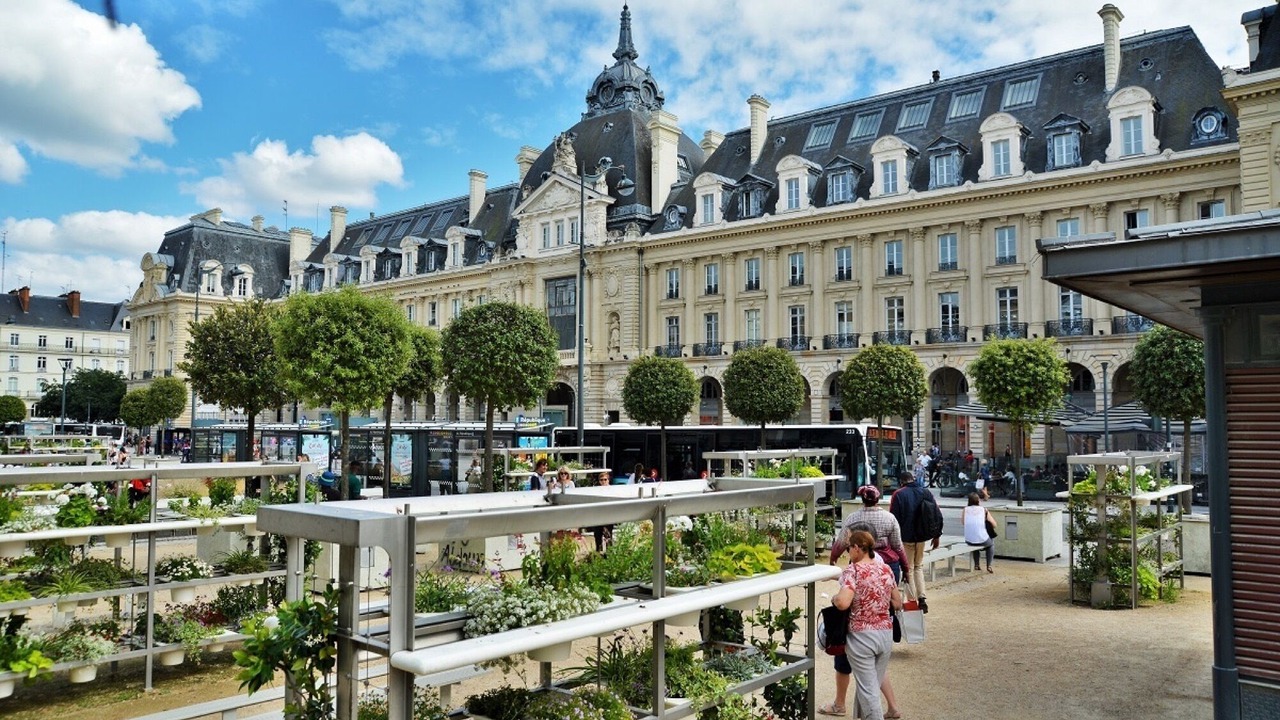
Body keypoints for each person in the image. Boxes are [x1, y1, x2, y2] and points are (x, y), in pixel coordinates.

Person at [823, 529, 903, 720]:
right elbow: (897, 602)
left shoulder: (854, 570)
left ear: (857, 548)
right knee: (870, 685)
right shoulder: (885, 569)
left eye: (849, 548)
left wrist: (835, 598)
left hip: (861, 636)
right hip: (885, 633)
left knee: (869, 691)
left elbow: (843, 602)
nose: (848, 552)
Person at [889, 470, 943, 613]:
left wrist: (892, 541)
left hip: (906, 538)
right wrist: (937, 535)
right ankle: (922, 598)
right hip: (922, 536)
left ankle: (912, 601)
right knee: (918, 566)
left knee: (909, 569)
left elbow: (893, 520)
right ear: (913, 479)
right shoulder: (926, 492)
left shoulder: (898, 494)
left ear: (901, 482)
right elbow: (937, 514)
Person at [964, 492, 996, 573]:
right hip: (982, 539)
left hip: (968, 540)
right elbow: (994, 524)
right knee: (991, 544)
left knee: (974, 542)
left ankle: (977, 564)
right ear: (978, 500)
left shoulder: (965, 509)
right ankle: (989, 565)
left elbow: (963, 522)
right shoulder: (984, 510)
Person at [589, 471, 614, 552]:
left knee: (608, 535)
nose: (603, 481)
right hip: (598, 516)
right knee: (597, 535)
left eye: (605, 479)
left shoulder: (612, 490)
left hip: (609, 515)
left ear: (608, 480)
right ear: (599, 481)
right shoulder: (596, 490)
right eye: (601, 480)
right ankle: (598, 553)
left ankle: (609, 554)